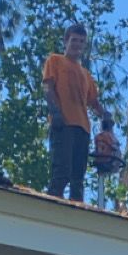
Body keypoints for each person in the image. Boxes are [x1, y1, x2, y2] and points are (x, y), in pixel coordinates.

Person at [42, 23, 103, 201]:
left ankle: (77, 211)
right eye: (74, 40)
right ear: (66, 41)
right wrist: (56, 112)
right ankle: (53, 206)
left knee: (78, 177)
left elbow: (93, 101)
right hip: (63, 124)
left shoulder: (86, 74)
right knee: (62, 171)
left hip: (82, 128)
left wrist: (105, 116)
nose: (77, 44)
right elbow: (48, 87)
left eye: (81, 41)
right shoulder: (55, 61)